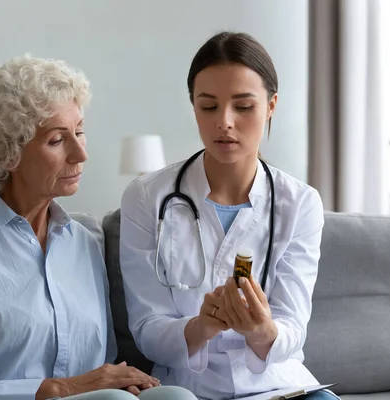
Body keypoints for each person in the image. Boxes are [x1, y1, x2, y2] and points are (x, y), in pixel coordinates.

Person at [0, 54, 197, 400]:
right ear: (8, 152)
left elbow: (103, 366)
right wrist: (54, 390)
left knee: (175, 397)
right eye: (57, 140)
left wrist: (123, 383)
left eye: (80, 132)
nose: (81, 154)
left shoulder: (82, 244)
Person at [119, 32, 339, 400]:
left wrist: (261, 329)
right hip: (189, 388)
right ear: (193, 107)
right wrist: (202, 326)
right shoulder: (146, 197)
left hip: (279, 386)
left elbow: (292, 327)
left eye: (243, 106)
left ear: (271, 105)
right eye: (208, 106)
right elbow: (147, 329)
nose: (225, 121)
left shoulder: (300, 203)